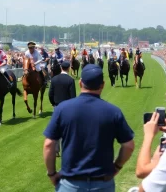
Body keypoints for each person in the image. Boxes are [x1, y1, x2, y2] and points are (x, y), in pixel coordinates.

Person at [43, 64, 135, 192]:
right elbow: (129, 146)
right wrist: (117, 167)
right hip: (102, 184)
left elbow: (49, 145)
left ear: (80, 83)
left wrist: (52, 174)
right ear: (102, 85)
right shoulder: (113, 112)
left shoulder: (62, 109)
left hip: (70, 184)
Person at [48, 60, 76, 157]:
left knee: (57, 128)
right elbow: (73, 96)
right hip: (68, 107)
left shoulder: (54, 79)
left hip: (57, 106)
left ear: (61, 68)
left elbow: (50, 94)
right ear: (68, 68)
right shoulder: (70, 80)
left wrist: (53, 103)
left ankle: (56, 150)